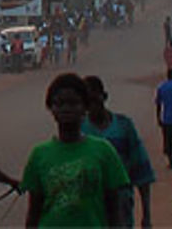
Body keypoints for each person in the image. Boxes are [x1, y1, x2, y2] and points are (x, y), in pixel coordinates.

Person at [22, 73, 129, 227]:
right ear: (51, 108)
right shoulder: (39, 155)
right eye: (59, 104)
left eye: (73, 103)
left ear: (85, 107)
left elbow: (114, 210)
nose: (66, 109)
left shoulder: (104, 151)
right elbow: (33, 212)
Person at [83, 76, 155, 228]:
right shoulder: (79, 131)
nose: (92, 107)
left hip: (121, 208)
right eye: (87, 103)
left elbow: (142, 171)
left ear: (104, 97)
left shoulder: (124, 127)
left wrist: (147, 215)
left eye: (95, 100)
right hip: (88, 212)